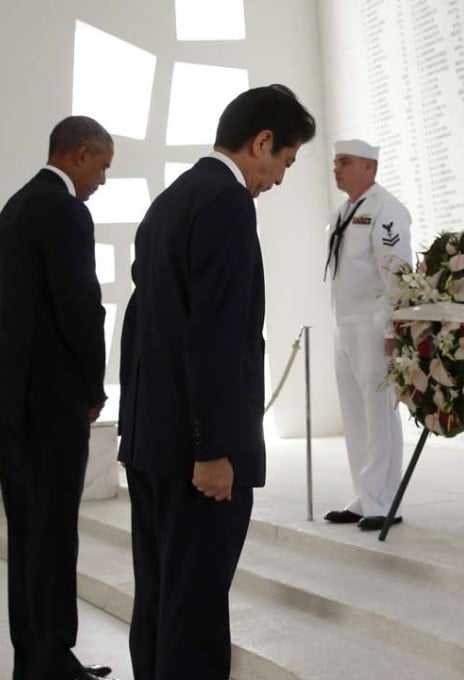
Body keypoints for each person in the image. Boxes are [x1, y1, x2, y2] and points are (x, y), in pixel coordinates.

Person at [117, 85, 315, 678]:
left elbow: (142, 327)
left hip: (153, 443)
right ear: (262, 143)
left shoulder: (171, 199)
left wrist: (136, 431)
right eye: (284, 160)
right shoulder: (227, 203)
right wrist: (215, 450)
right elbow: (215, 338)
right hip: (194, 458)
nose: (279, 178)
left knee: (159, 600)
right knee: (195, 613)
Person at [0, 116, 115, 680]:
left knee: (25, 538)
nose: (102, 179)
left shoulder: (15, 207)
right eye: (102, 166)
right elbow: (80, 308)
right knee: (51, 534)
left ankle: (33, 658)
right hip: (52, 406)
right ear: (79, 155)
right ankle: (52, 663)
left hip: (15, 406)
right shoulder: (66, 210)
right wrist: (94, 386)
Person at [323, 139, 412, 531]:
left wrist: (395, 326)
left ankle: (385, 499)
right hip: (346, 325)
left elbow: (396, 270)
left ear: (369, 169)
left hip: (375, 325)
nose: (336, 169)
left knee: (379, 413)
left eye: (344, 162)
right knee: (355, 412)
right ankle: (364, 494)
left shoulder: (385, 209)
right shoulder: (344, 211)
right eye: (335, 162)